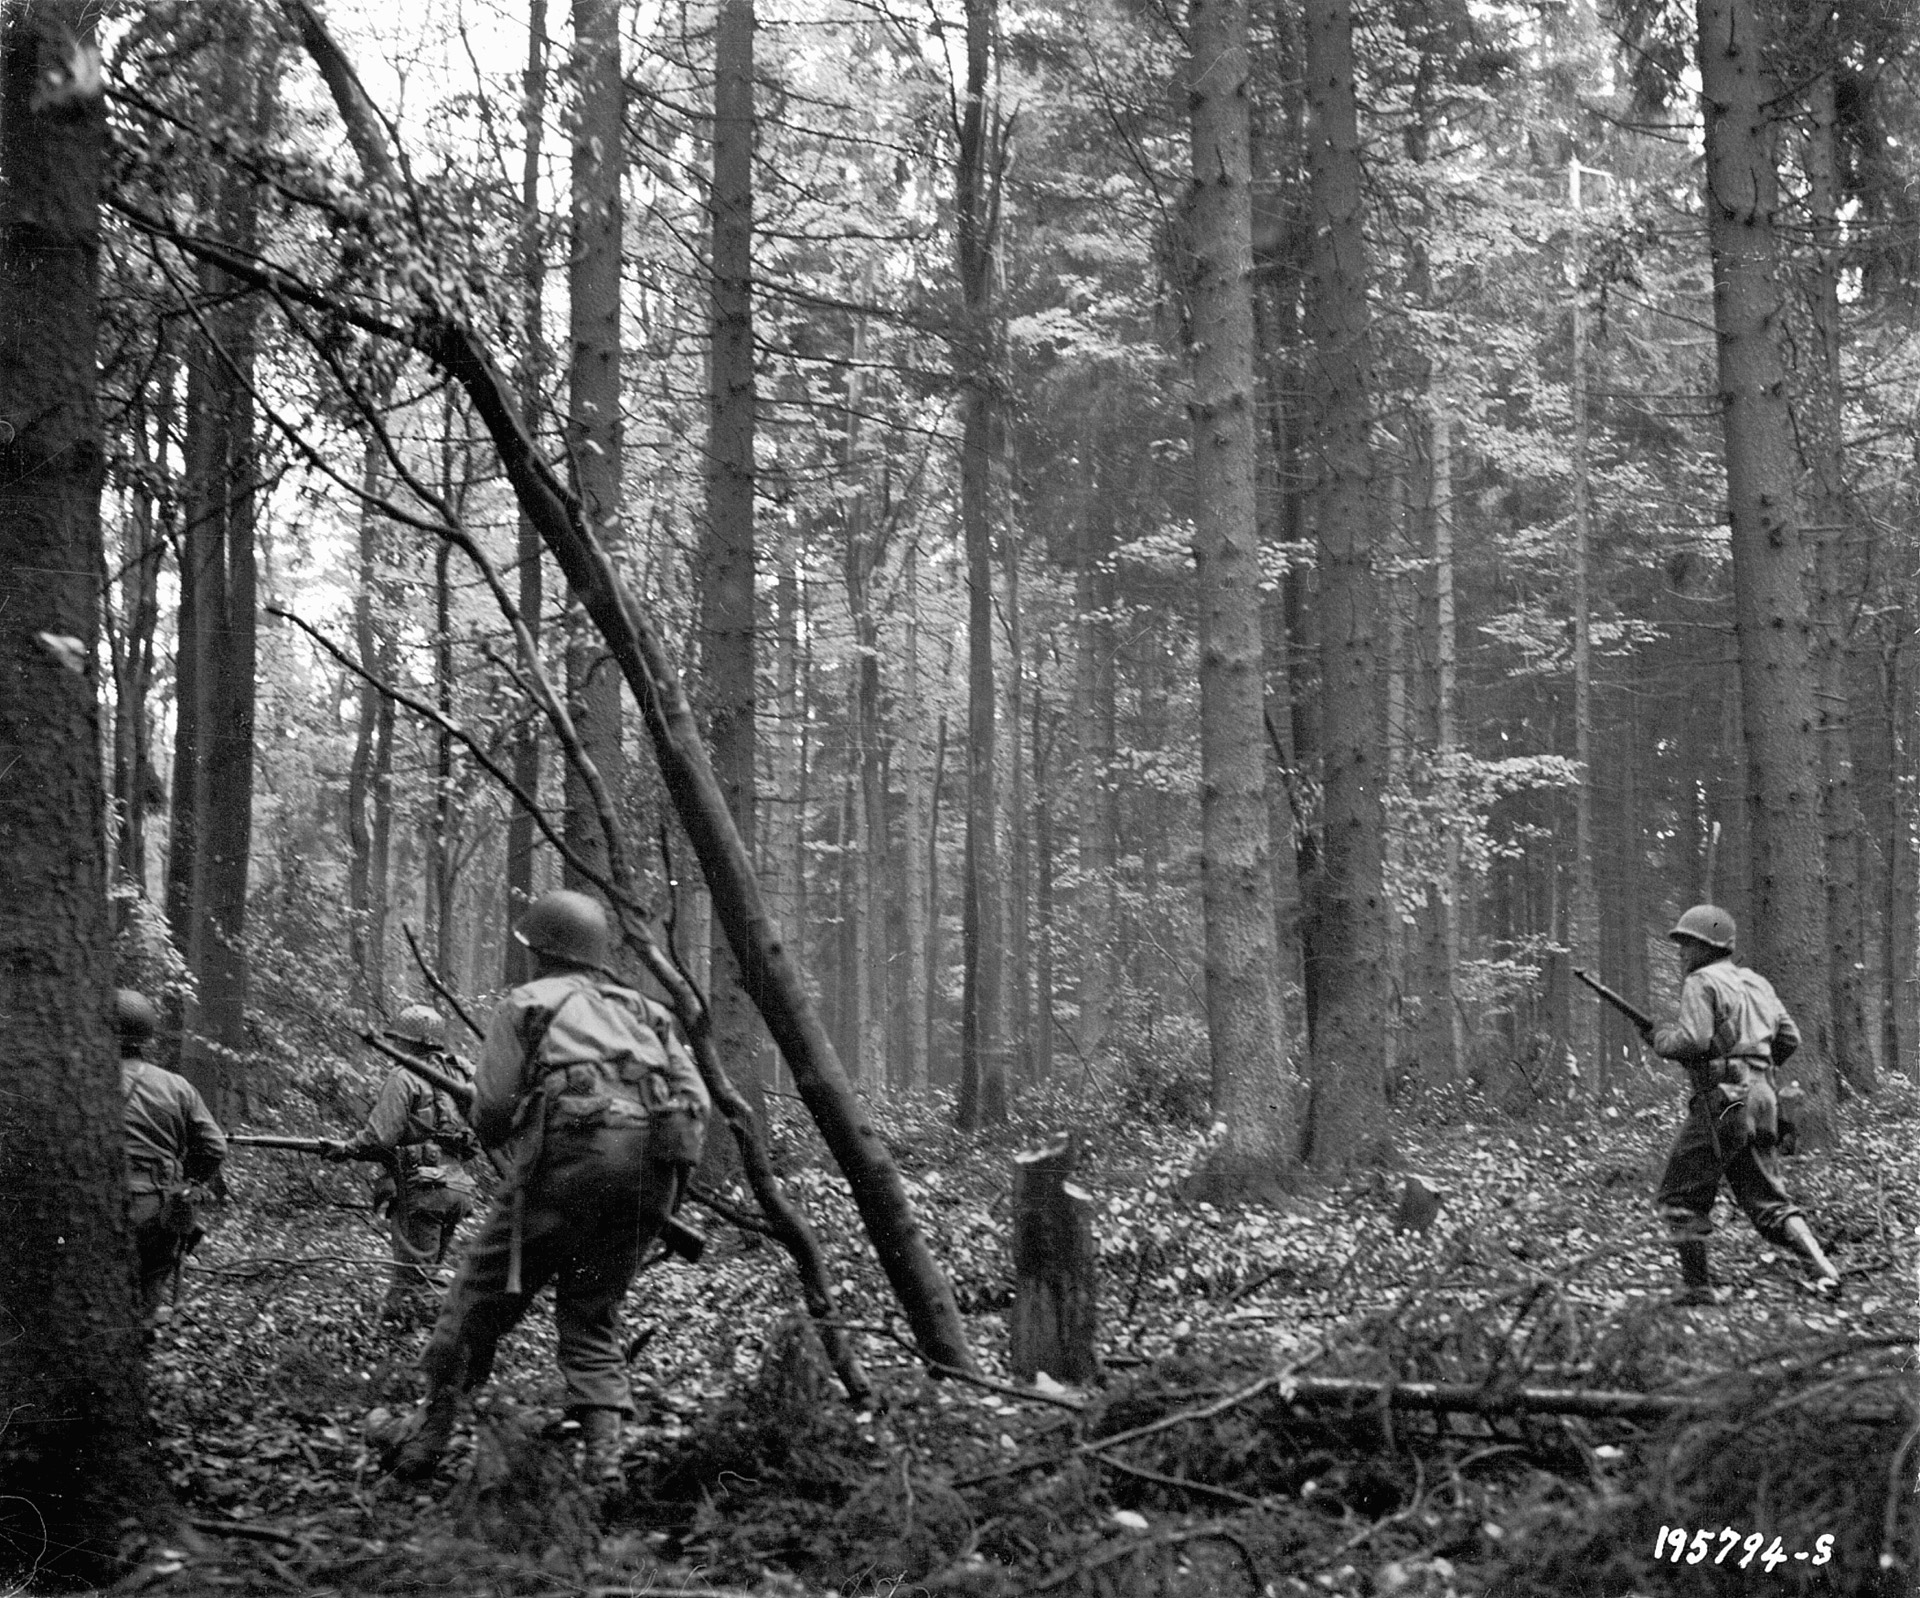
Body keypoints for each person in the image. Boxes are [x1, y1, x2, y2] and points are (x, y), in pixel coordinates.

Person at [386, 889, 710, 1485]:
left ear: (544, 953)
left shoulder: (529, 1002)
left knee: (473, 1300)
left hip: (565, 1167)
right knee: (592, 1316)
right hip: (650, 1182)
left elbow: (490, 1115)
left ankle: (425, 1443)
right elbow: (696, 1104)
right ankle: (605, 1465)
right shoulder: (646, 1012)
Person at [1639, 905, 1841, 1306]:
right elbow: (1789, 1039)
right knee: (1769, 1202)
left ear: (1706, 946)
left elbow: (1693, 1040)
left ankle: (1697, 1289)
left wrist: (1660, 1038)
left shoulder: (1701, 981)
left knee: (1679, 1197)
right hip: (1762, 1099)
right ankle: (1825, 1270)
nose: (1681, 954)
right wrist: (1753, 1066)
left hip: (1723, 1100)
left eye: (1687, 944)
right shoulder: (1757, 984)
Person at [325, 1004, 480, 1327]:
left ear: (410, 1043)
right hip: (457, 1188)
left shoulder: (405, 1077)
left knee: (413, 1282)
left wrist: (347, 1148)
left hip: (423, 1189)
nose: (394, 1047)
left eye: (399, 1041)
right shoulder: (460, 1074)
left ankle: (407, 1355)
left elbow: (380, 1137)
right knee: (428, 1274)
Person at [118, 988, 227, 1317]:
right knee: (146, 1296)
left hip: (93, 1201)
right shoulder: (177, 1086)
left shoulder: (81, 1080)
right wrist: (186, 1181)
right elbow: (214, 1147)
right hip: (157, 1206)